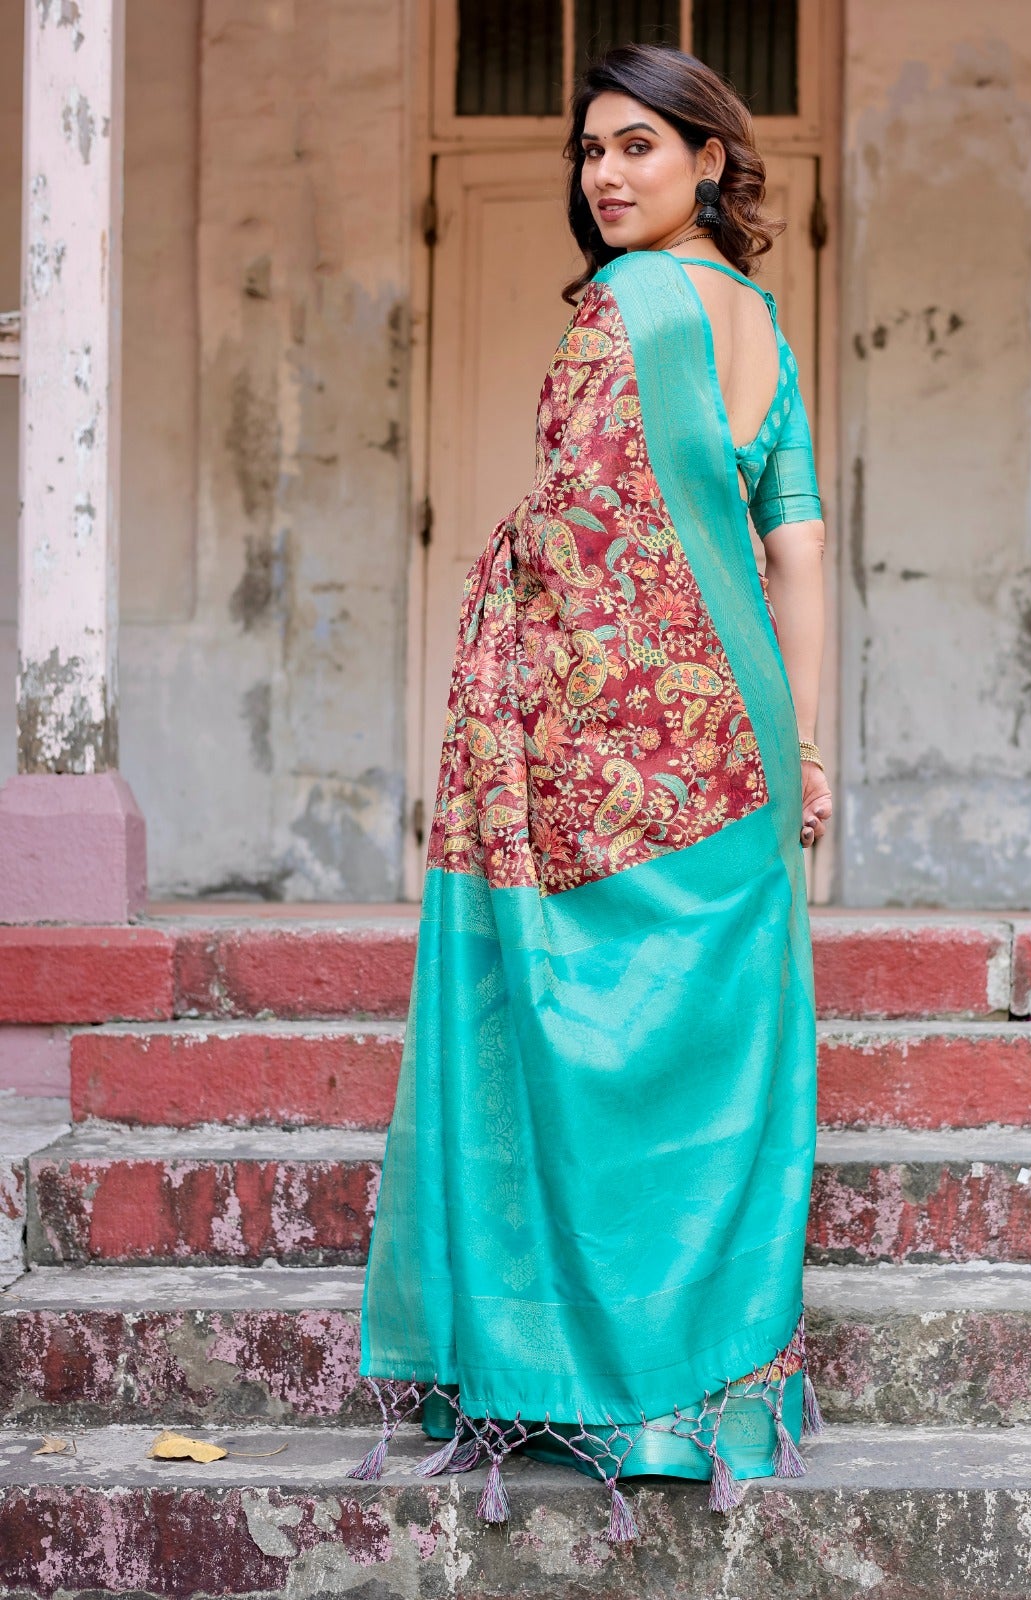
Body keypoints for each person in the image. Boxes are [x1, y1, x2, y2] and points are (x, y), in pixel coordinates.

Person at [351, 42, 833, 1545]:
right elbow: (798, 549)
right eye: (590, 152)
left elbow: (582, 535)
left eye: (640, 146)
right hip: (739, 729)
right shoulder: (761, 320)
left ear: (709, 159)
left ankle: (598, 1384)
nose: (607, 175)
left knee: (576, 1035)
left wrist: (507, 667)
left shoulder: (628, 307)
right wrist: (807, 748)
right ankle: (706, 1400)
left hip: (614, 727)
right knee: (709, 1059)